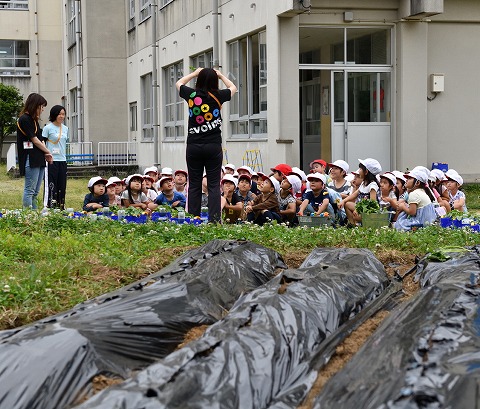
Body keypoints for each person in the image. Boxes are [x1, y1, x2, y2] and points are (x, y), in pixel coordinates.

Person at [176, 67, 237, 222]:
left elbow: (179, 83)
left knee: (194, 184)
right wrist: (222, 75)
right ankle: (215, 220)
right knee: (214, 185)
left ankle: (193, 219)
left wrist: (195, 73)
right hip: (213, 146)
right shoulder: (218, 95)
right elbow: (233, 88)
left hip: (194, 146)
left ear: (199, 80)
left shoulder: (191, 94)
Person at [16, 93, 53, 209]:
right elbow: (34, 140)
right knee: (30, 190)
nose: (42, 110)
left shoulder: (34, 120)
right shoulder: (24, 119)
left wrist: (46, 153)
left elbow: (40, 139)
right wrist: (48, 152)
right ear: (34, 105)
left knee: (36, 191)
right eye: (41, 107)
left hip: (39, 158)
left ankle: (35, 213)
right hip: (30, 158)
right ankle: (28, 215)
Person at [339, 158, 382, 226]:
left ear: (366, 172)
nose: (359, 171)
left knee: (356, 216)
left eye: (360, 169)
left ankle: (361, 225)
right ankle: (353, 225)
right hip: (362, 209)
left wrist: (358, 209)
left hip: (370, 212)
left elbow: (372, 203)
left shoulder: (372, 185)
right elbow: (355, 194)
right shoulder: (364, 183)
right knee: (347, 204)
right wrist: (343, 201)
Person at [42, 105, 68, 209]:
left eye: (63, 114)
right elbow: (42, 142)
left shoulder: (65, 128)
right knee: (51, 184)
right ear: (54, 115)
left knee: (62, 184)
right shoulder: (48, 128)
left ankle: (61, 206)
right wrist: (46, 154)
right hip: (51, 161)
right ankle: (50, 206)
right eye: (59, 114)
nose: (61, 116)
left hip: (62, 160)